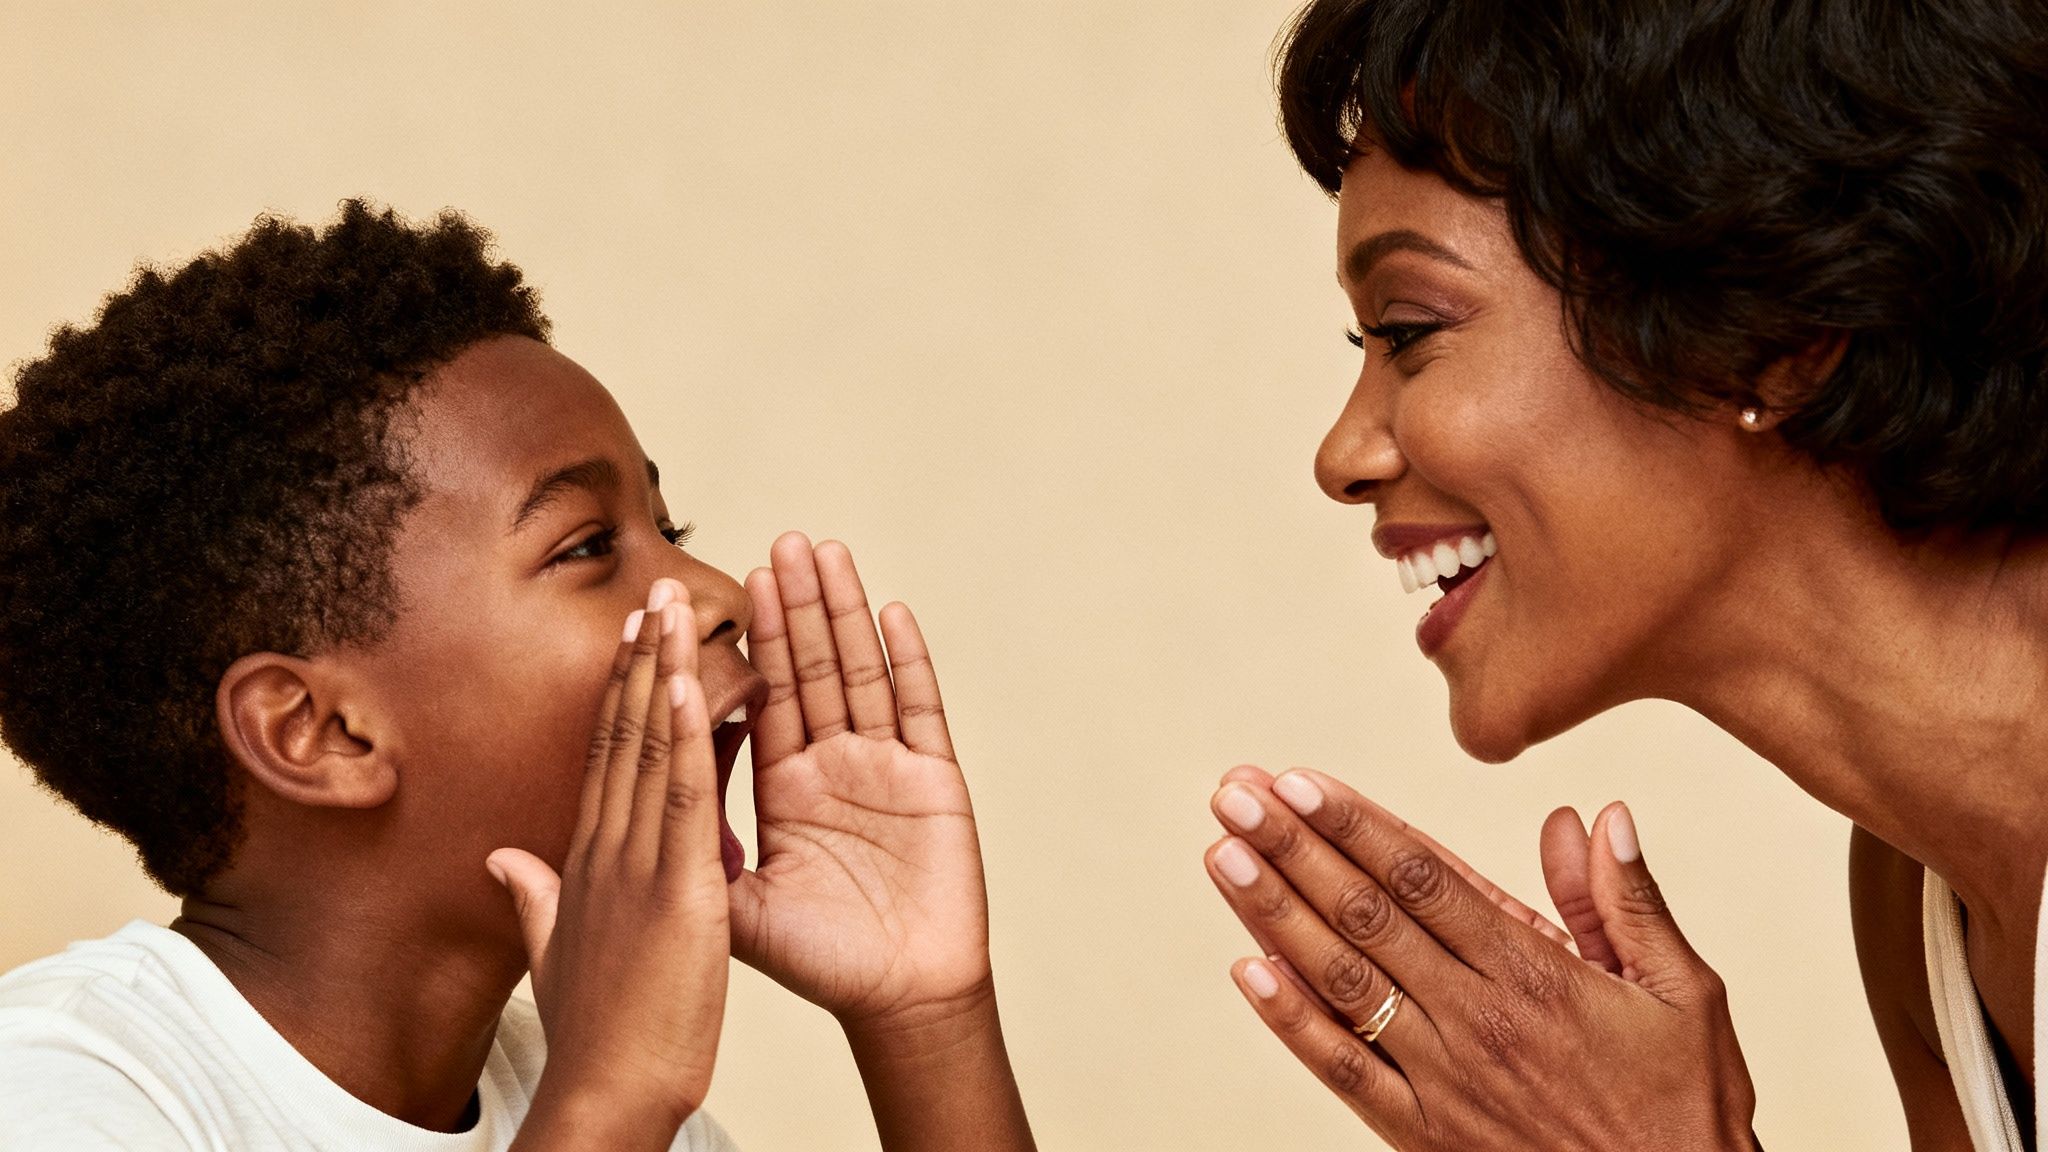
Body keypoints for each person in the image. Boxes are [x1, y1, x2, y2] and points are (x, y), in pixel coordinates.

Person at [0, 201, 1035, 1152]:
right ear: (320, 732)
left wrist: (922, 1018)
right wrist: (613, 1097)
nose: (717, 592)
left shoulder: (605, 1106)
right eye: (588, 547)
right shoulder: (63, 1089)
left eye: (669, 529)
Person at [1204, 0, 2048, 1148]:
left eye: (1406, 330)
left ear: (1776, 331)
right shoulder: (1916, 888)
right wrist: (927, 1018)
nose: (1342, 458)